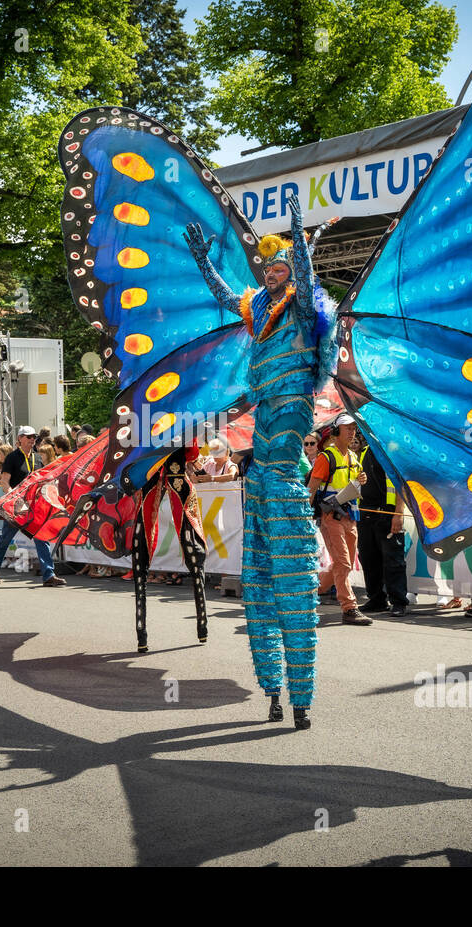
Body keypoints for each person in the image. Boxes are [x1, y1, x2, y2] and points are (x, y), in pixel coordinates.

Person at [186, 192, 339, 729]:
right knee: (262, 475)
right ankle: (275, 688)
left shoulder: (301, 305)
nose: (273, 274)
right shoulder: (259, 310)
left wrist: (299, 231)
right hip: (265, 410)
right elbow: (229, 298)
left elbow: (305, 269)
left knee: (277, 465)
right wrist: (203, 261)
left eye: (280, 267)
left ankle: (297, 692)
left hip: (294, 405)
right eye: (268, 268)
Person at [309, 414, 372, 625]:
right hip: (331, 516)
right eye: (347, 428)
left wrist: (361, 479)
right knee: (344, 562)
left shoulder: (354, 458)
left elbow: (354, 483)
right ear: (335, 432)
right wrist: (302, 515)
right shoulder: (325, 457)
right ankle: (349, 607)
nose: (352, 431)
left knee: (341, 564)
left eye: (354, 428)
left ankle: (309, 591)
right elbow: (312, 488)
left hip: (350, 516)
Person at [0, 425, 66, 587]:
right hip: (16, 507)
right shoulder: (12, 458)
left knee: (41, 537)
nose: (32, 440)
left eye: (34, 437)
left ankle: (48, 575)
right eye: (28, 437)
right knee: (5, 539)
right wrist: (12, 498)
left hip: (34, 506)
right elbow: (5, 482)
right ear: (20, 438)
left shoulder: (37, 458)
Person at [356, 445, 409, 617]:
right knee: (368, 559)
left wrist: (398, 513)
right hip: (366, 513)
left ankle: (398, 602)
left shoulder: (391, 448)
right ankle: (377, 600)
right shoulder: (364, 450)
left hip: (388, 512)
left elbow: (400, 482)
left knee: (393, 561)